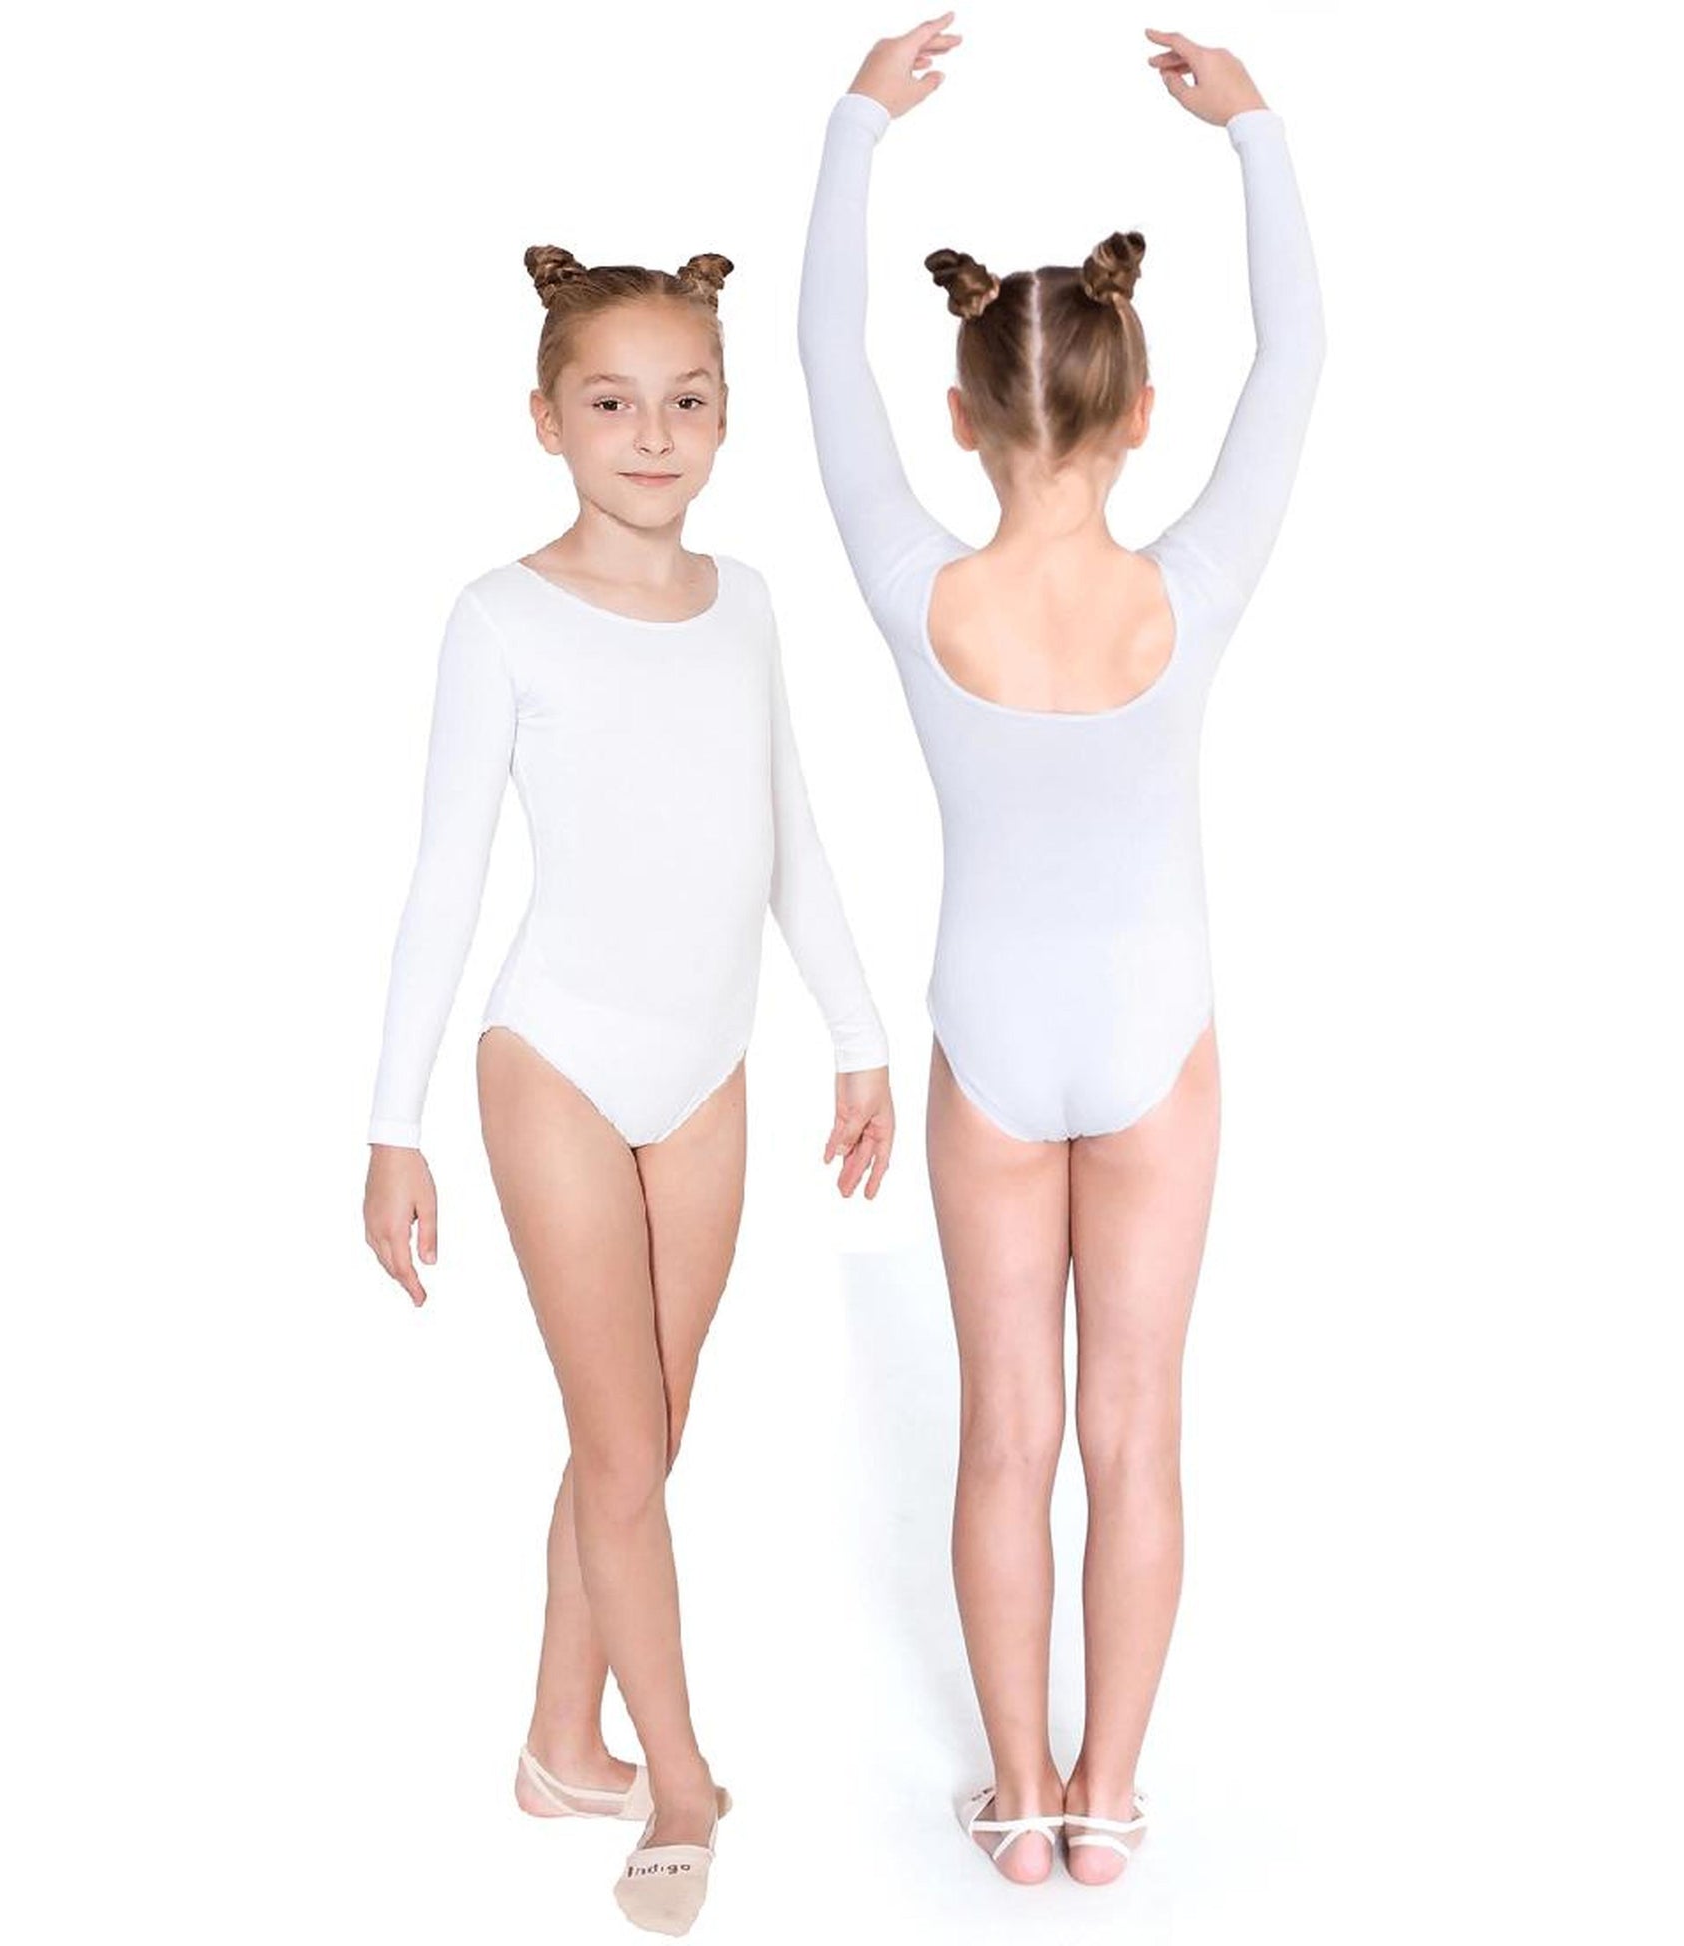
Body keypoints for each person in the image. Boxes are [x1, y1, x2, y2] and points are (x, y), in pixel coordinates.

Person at [797, 15, 1325, 1887]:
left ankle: (1017, 1798)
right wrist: (1252, 131)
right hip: (1155, 1033)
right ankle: (1108, 1799)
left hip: (991, 1045)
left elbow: (820, 362)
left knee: (1003, 1431)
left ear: (961, 417)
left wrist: (855, 126)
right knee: (1134, 1432)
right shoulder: (1192, 585)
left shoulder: (912, 584)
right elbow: (1297, 359)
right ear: (1138, 412)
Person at [363, 244, 896, 1935]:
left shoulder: (747, 602)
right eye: (611, 403)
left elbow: (786, 827)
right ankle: (673, 1780)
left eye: (686, 401)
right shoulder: (499, 616)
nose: (651, 435)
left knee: (643, 1434)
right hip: (559, 1060)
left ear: (724, 418)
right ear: (545, 419)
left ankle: (555, 1741)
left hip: (710, 1066)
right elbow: (443, 878)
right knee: (619, 1444)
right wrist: (391, 1127)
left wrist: (860, 1034)